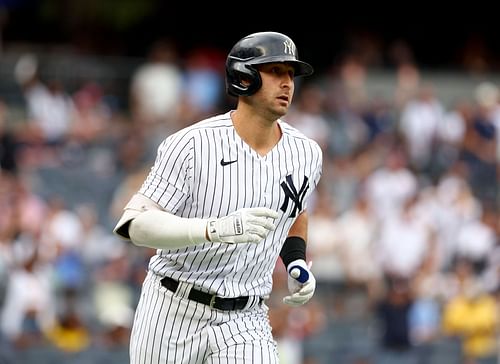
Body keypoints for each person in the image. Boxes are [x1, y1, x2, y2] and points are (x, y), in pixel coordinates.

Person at [113, 31, 323, 364]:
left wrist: (295, 261)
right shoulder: (192, 144)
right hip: (173, 307)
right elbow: (134, 226)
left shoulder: (307, 153)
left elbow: (295, 212)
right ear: (244, 77)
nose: (287, 83)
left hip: (246, 317)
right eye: (275, 71)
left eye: (290, 74)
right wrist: (212, 229)